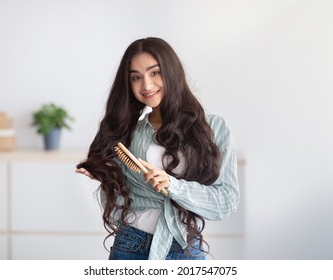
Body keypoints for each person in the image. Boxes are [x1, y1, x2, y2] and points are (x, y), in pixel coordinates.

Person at [76, 37, 239, 260]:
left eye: (154, 72)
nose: (146, 85)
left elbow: (226, 202)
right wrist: (107, 178)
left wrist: (173, 186)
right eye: (136, 77)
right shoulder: (128, 133)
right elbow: (119, 208)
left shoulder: (213, 128)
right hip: (130, 245)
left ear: (171, 72)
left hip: (184, 248)